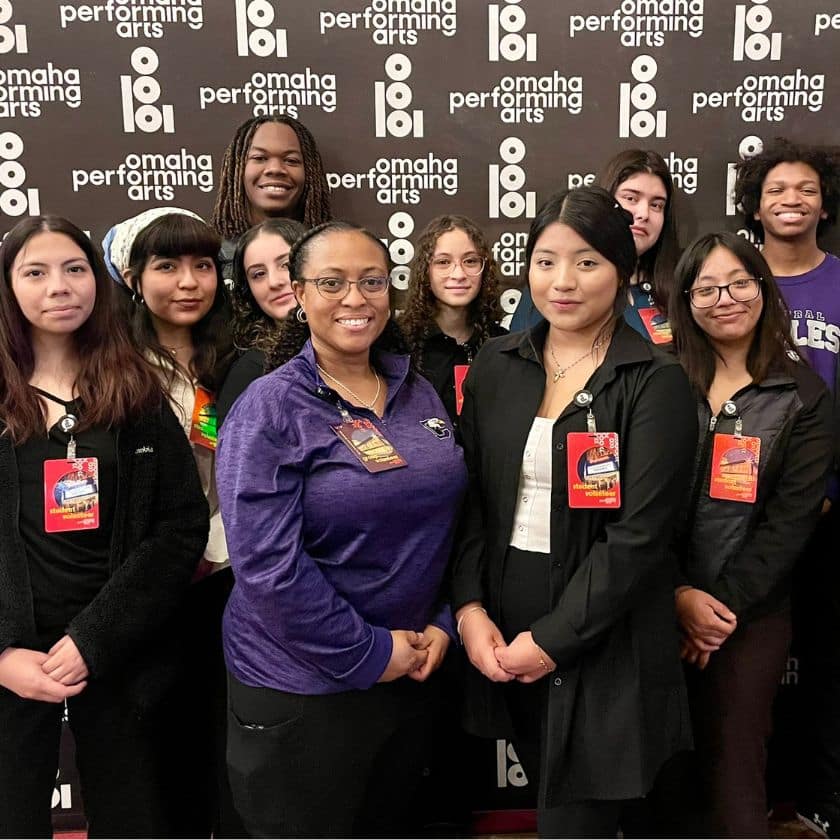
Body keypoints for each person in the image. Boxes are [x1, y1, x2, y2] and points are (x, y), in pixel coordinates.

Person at [450, 187, 697, 838]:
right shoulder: (498, 365)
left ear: (622, 269)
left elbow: (639, 537)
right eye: (546, 260)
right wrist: (470, 608)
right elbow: (471, 497)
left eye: (586, 262)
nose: (562, 282)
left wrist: (553, 641)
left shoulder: (653, 379)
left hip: (602, 632)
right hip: (506, 619)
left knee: (574, 823)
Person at [216, 221, 467, 838]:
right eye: (332, 282)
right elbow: (268, 568)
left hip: (408, 677)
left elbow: (445, 526)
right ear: (298, 295)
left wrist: (440, 623)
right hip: (303, 691)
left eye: (371, 282)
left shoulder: (418, 392)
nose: (355, 299)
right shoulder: (269, 406)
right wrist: (369, 652)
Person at [0, 215, 208, 838]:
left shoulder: (137, 391)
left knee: (134, 817)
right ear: (9, 288)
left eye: (74, 269)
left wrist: (97, 636)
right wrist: (3, 652)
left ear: (99, 281)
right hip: (13, 655)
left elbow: (179, 525)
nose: (59, 287)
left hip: (121, 652)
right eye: (35, 272)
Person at [667, 231, 832, 837]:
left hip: (751, 614)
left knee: (734, 777)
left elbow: (791, 522)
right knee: (662, 778)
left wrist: (717, 612)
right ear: (685, 299)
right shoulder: (660, 380)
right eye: (705, 287)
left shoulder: (803, 394)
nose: (724, 298)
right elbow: (635, 504)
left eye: (739, 282)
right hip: (655, 602)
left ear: (763, 289)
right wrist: (678, 595)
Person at [103, 208, 237, 837]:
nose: (189, 282)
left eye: (202, 265)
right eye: (168, 266)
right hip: (148, 586)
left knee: (226, 743)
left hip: (232, 580)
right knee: (156, 755)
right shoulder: (112, 371)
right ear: (132, 277)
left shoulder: (237, 363)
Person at [735, 138, 840, 836]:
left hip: (832, 505)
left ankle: (825, 802)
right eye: (777, 189)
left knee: (831, 660)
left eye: (805, 188)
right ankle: (740, 805)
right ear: (755, 204)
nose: (792, 199)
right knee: (744, 668)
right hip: (747, 511)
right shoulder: (737, 281)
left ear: (824, 203)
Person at [510, 148, 680, 341]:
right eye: (631, 198)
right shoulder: (553, 290)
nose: (643, 213)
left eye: (656, 205)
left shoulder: (679, 289)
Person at [398, 214, 505, 426]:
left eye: (470, 261)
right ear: (424, 271)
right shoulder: (399, 345)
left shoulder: (503, 346)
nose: (458, 274)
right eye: (443, 262)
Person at [211, 115, 331, 279]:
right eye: (259, 158)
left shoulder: (334, 250)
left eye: (290, 160)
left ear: (310, 172)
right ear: (236, 169)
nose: (275, 169)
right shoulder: (211, 254)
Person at [216, 217, 306, 426]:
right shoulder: (251, 371)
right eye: (258, 274)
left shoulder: (360, 347)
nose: (274, 282)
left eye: (286, 264)